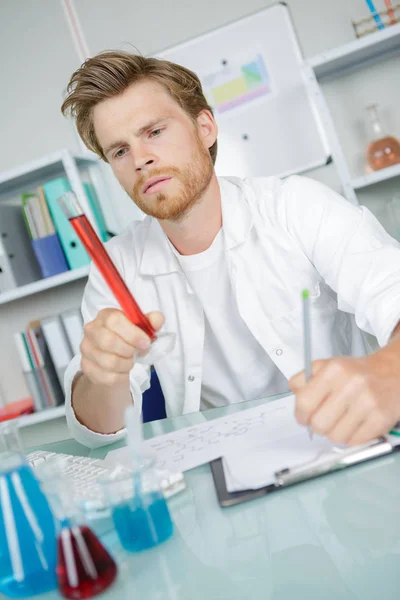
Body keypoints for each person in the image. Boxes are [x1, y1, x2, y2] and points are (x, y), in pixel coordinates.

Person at [61, 50, 400, 449]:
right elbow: (96, 431)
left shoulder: (296, 206)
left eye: (154, 132)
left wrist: (389, 369)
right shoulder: (117, 266)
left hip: (341, 448)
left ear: (205, 127)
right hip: (220, 474)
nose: (140, 159)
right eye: (119, 151)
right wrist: (102, 376)